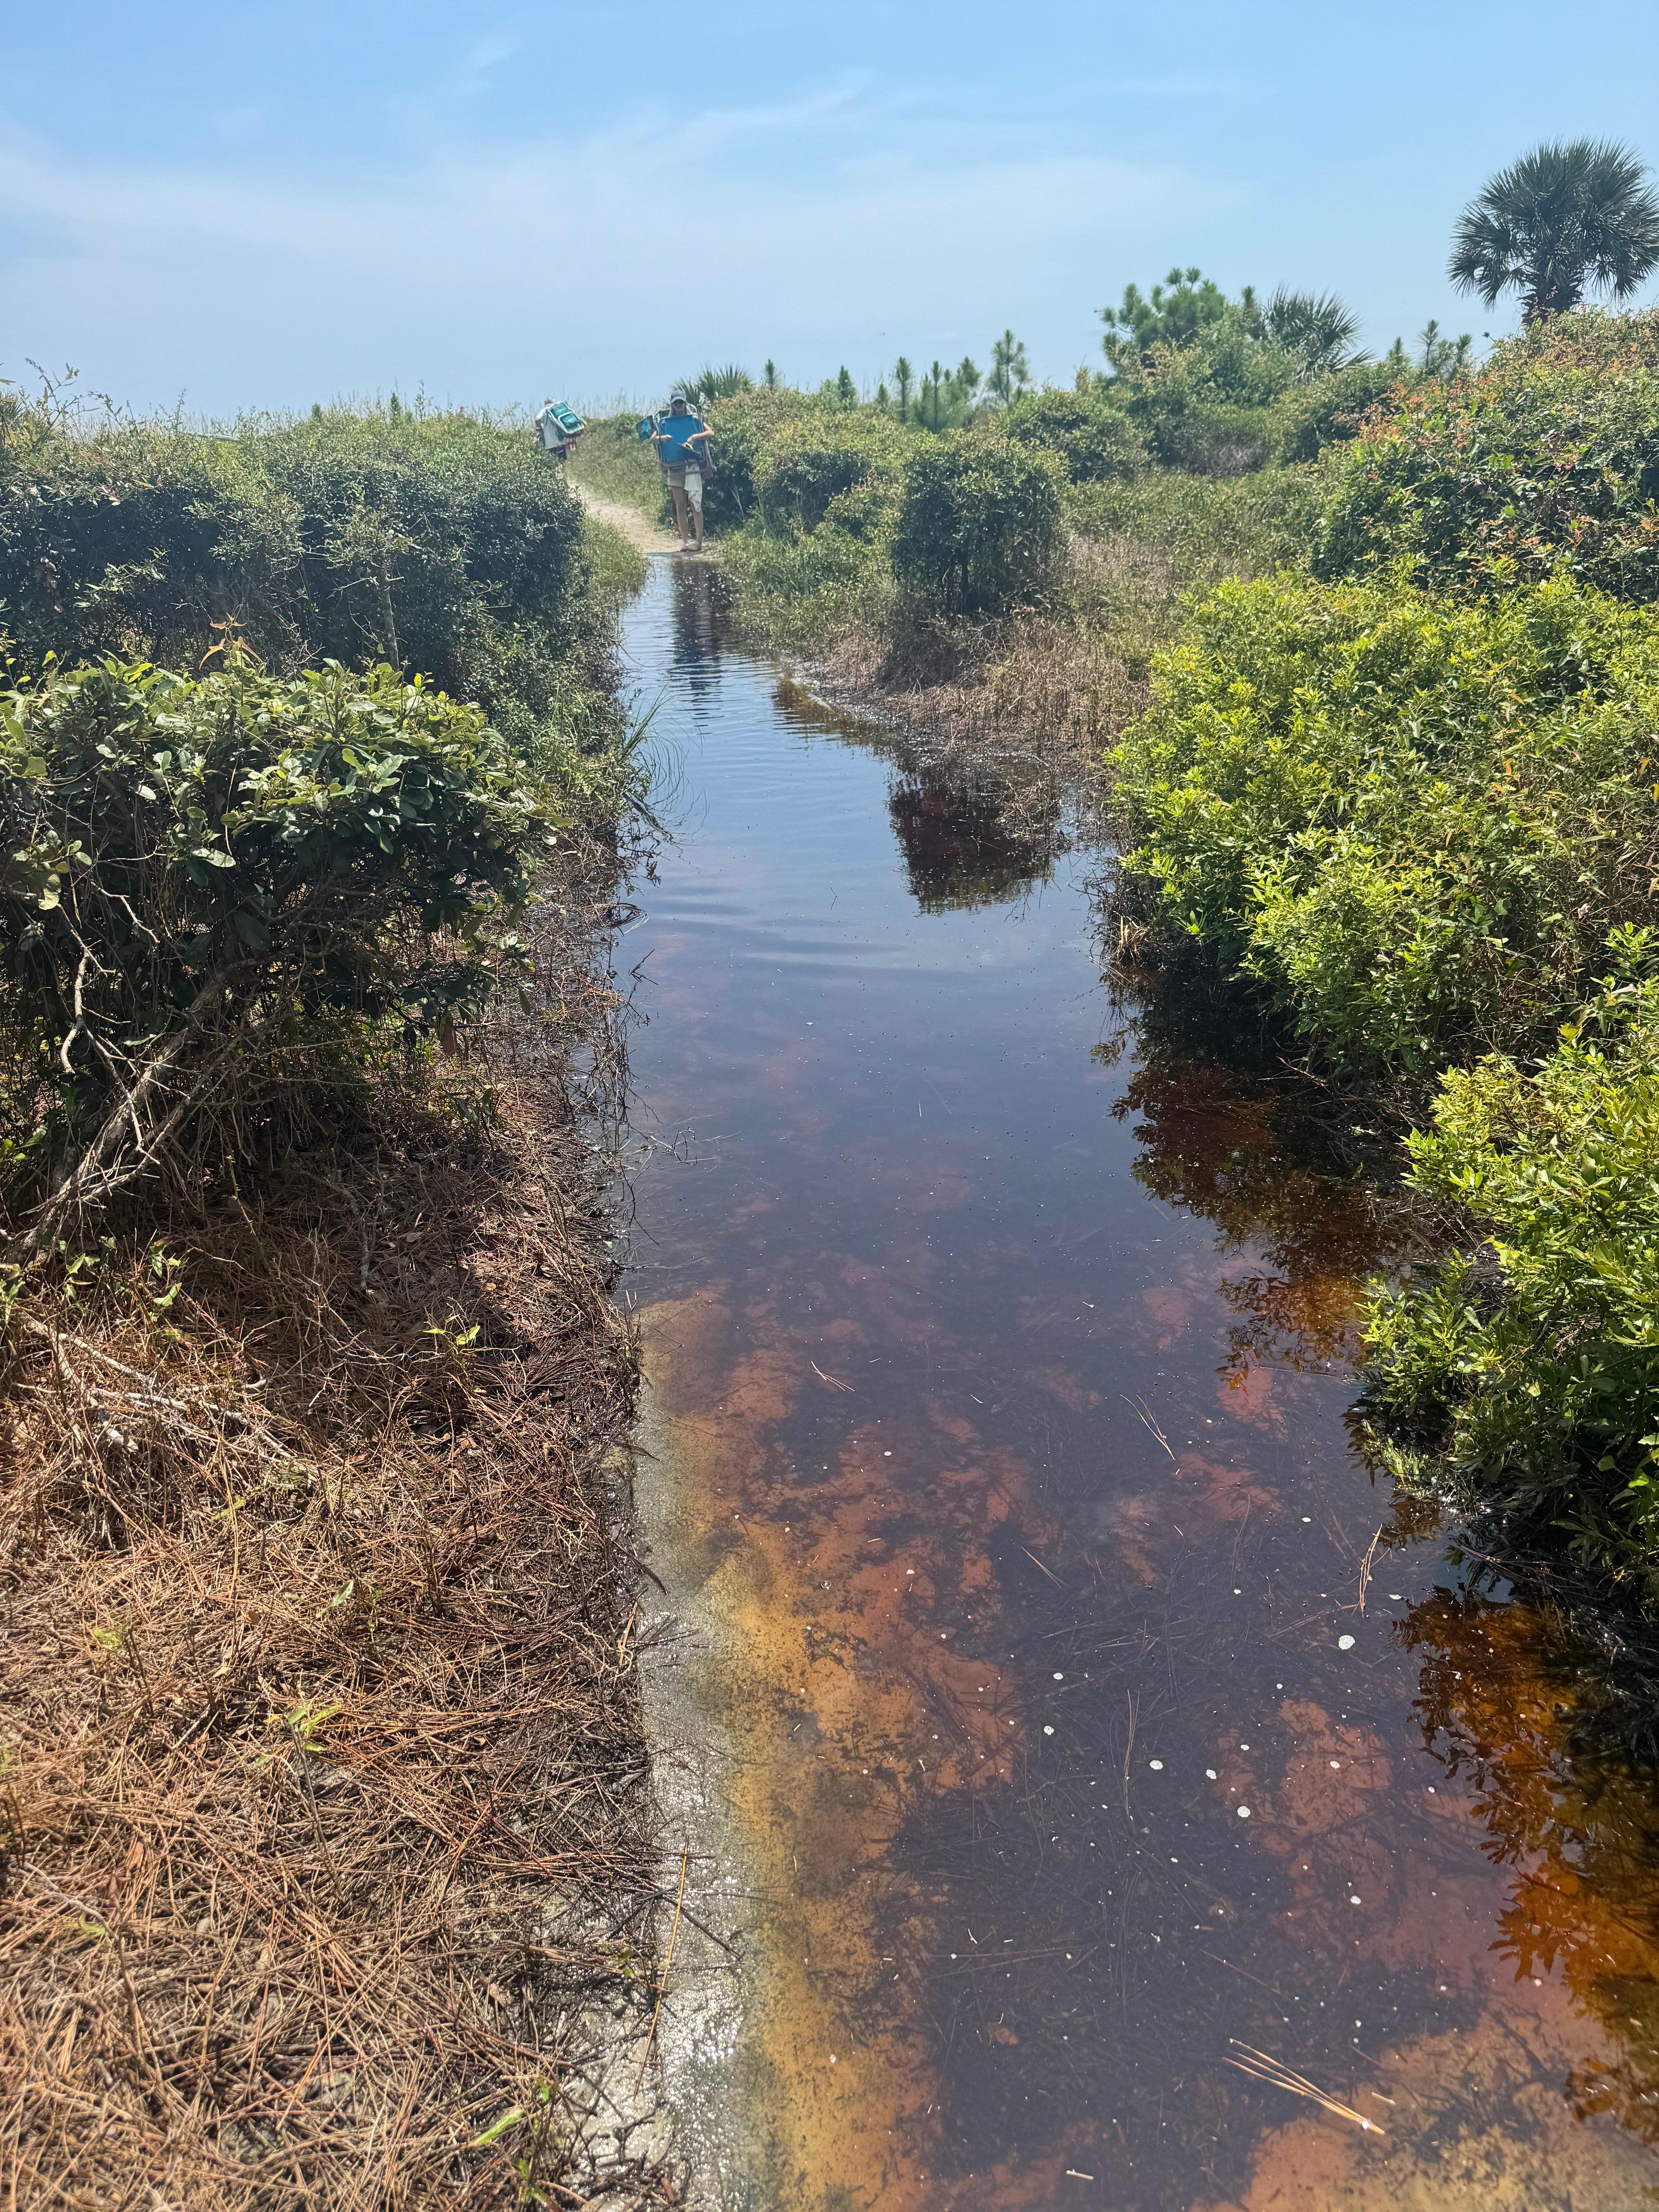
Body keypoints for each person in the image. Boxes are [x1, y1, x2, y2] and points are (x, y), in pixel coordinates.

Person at [650, 393, 713, 551]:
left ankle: (698, 541)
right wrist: (663, 438)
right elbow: (652, 439)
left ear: (685, 403)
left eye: (681, 402)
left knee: (696, 503)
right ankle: (685, 542)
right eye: (676, 403)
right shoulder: (665, 422)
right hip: (674, 466)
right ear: (672, 405)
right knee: (680, 505)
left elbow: (710, 433)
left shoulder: (694, 419)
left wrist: (695, 437)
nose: (679, 405)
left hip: (692, 465)